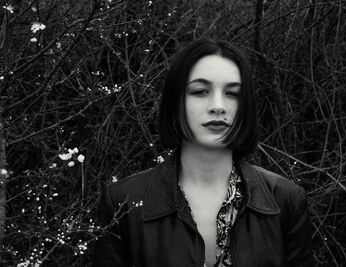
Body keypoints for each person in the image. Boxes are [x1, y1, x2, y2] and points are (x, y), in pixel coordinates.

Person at [92, 39, 314, 266]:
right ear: (175, 102)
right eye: (200, 91)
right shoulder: (123, 203)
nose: (218, 106)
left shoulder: (286, 201)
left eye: (232, 93)